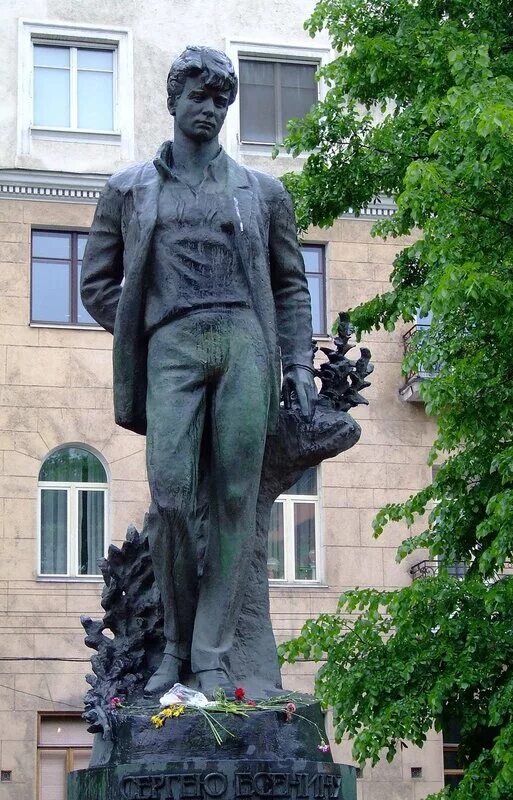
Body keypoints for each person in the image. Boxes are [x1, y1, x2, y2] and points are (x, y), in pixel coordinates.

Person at [81, 46, 317, 697]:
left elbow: (293, 287)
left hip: (244, 345)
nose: (210, 109)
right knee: (173, 500)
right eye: (200, 96)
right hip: (173, 349)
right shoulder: (129, 188)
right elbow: (96, 282)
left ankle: (211, 654)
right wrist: (144, 330)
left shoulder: (262, 192)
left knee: (237, 499)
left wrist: (295, 363)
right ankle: (175, 648)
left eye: (222, 99)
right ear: (174, 99)